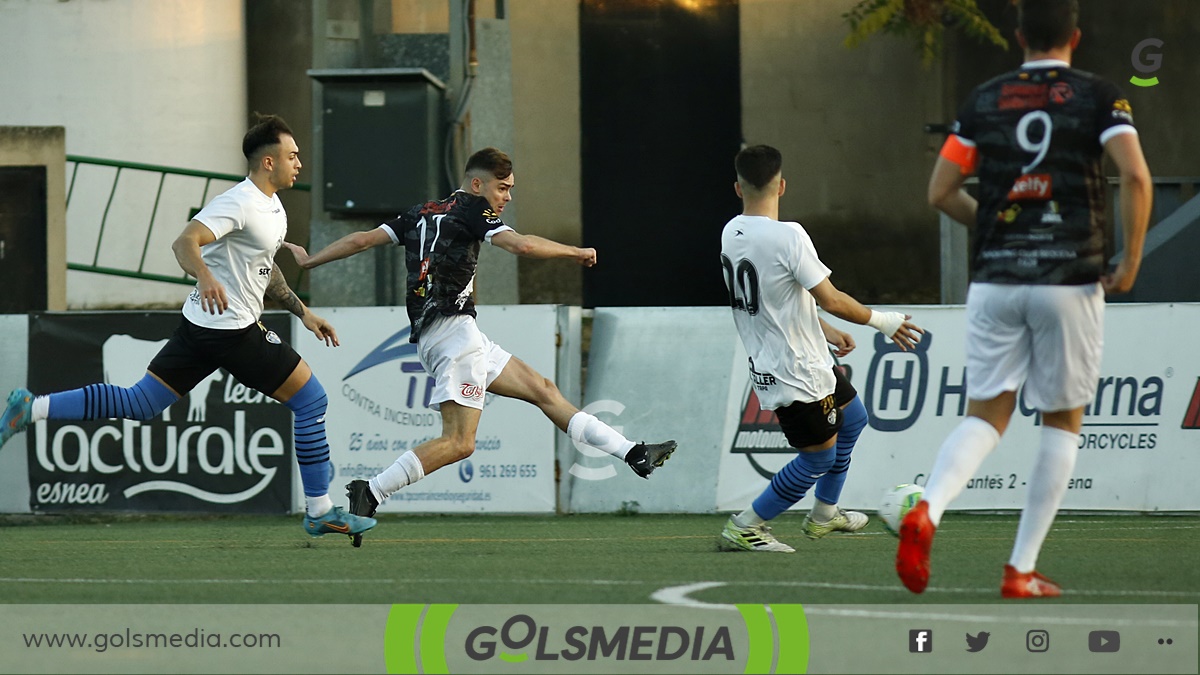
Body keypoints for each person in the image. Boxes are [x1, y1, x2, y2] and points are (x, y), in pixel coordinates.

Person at [0, 114, 377, 540]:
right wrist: (205, 274)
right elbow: (184, 242)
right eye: (292, 156)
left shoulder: (272, 207)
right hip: (231, 332)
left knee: (140, 403)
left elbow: (263, 268)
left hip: (201, 327)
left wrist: (302, 312)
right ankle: (320, 510)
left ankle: (30, 409)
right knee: (310, 401)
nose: (299, 164)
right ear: (267, 162)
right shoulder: (238, 202)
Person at [285, 147, 676, 546]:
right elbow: (521, 246)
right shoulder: (474, 210)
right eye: (502, 188)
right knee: (460, 442)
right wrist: (573, 252)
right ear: (477, 184)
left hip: (452, 335)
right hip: (454, 336)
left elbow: (362, 240)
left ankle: (632, 453)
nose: (506, 197)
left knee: (544, 390)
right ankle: (373, 491)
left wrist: (312, 260)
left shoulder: (420, 211)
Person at [897, 0, 1152, 598]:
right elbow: (1136, 177)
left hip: (995, 282)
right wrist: (1131, 261)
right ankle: (1020, 569)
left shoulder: (984, 99)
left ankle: (928, 508)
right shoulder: (1099, 96)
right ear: (1076, 37)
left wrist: (993, 225)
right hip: (1069, 278)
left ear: (1017, 38)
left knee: (986, 415)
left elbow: (941, 191)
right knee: (1062, 421)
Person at [718, 144, 924, 553]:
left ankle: (824, 515)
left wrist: (824, 329)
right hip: (795, 369)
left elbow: (778, 296)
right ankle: (746, 525)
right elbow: (830, 296)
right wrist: (885, 322)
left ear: (738, 188)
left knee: (854, 419)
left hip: (793, 357)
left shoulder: (731, 231)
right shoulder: (788, 235)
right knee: (817, 460)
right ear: (782, 186)